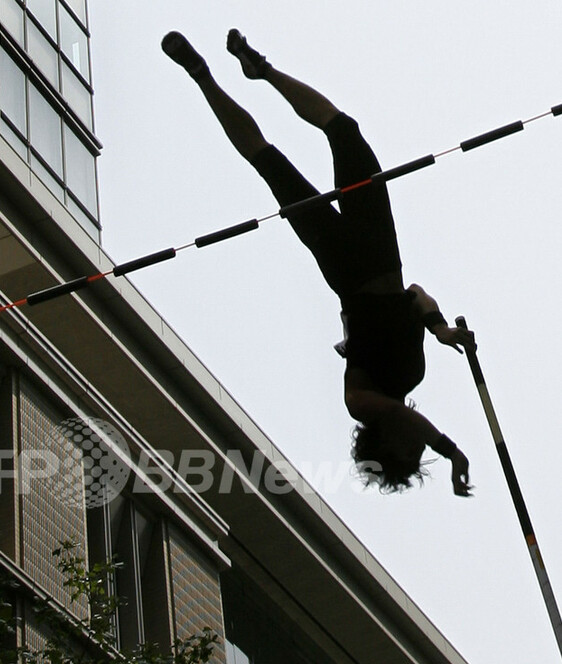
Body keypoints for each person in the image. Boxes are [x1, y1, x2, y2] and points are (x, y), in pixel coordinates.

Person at [162, 30, 476, 496]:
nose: (418, 444)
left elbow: (398, 414)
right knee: (344, 129)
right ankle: (261, 69)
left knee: (269, 161)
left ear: (387, 444)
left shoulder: (359, 403)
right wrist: (441, 329)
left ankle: (202, 76)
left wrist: (451, 452)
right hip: (382, 251)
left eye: (411, 451)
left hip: (345, 266)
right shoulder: (413, 374)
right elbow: (415, 295)